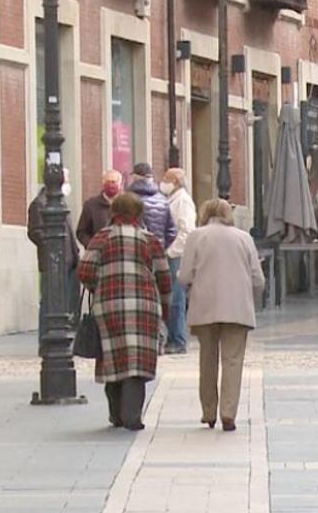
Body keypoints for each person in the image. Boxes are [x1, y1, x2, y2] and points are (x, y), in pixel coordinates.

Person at [77, 192, 172, 431]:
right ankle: (132, 416)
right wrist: (166, 306)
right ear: (139, 213)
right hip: (144, 308)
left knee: (112, 358)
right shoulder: (149, 240)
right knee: (136, 362)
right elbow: (164, 276)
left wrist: (99, 285)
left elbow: (85, 270)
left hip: (109, 306)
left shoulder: (101, 238)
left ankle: (115, 414)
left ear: (113, 212)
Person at [178, 198, 266, 432]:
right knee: (233, 361)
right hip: (237, 308)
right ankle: (228, 413)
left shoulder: (196, 236)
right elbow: (258, 278)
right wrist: (251, 296)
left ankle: (208, 412)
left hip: (205, 307)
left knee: (207, 359)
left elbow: (184, 276)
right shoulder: (243, 238)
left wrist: (192, 286)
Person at [27, 180, 79, 339]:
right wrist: (52, 246)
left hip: (68, 260)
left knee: (64, 302)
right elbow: (34, 231)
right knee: (49, 301)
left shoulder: (61, 202)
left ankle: (60, 335)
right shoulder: (39, 204)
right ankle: (46, 337)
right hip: (53, 261)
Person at [160, 168, 196, 353]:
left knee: (176, 297)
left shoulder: (182, 201)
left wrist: (171, 252)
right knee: (171, 296)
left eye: (166, 178)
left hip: (176, 256)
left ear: (176, 181)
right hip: (172, 254)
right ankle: (173, 337)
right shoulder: (172, 199)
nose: (163, 181)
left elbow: (187, 230)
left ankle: (178, 339)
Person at [127, 162, 177, 249]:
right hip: (156, 250)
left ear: (135, 177)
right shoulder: (163, 199)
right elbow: (171, 232)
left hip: (135, 249)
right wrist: (161, 247)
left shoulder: (127, 199)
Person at [76, 170, 123, 248]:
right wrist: (92, 245)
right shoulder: (91, 205)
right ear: (103, 183)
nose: (111, 185)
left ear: (120, 184)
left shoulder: (127, 204)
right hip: (98, 253)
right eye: (108, 181)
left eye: (114, 182)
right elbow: (81, 232)